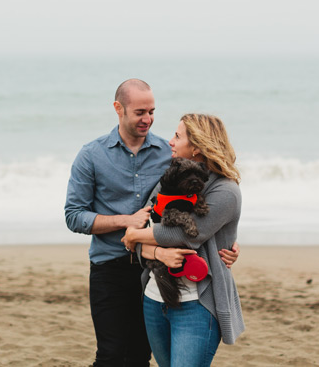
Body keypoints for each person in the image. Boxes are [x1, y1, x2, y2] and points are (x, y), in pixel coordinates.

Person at [64, 80, 239, 367]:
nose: (147, 119)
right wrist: (128, 224)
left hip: (153, 272)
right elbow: (74, 216)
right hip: (110, 267)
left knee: (138, 358)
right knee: (109, 355)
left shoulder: (168, 154)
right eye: (140, 112)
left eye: (152, 111)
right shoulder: (91, 155)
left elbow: (200, 208)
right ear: (118, 109)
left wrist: (227, 241)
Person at [121, 113, 244, 367]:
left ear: (197, 146)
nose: (171, 141)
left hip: (196, 306)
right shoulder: (170, 178)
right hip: (155, 298)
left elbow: (186, 236)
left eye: (178, 136)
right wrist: (156, 252)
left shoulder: (226, 191)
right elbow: (145, 225)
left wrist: (134, 236)